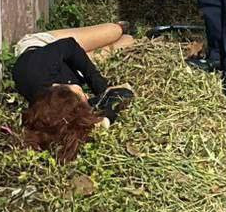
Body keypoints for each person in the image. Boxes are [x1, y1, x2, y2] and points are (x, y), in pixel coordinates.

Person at [13, 23, 136, 161]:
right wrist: (105, 117)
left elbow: (69, 45)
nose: (85, 96)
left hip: (45, 46)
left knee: (115, 31)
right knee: (128, 41)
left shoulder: (36, 70)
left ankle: (120, 26)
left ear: (62, 91)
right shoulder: (56, 112)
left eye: (81, 96)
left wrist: (102, 88)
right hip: (72, 71)